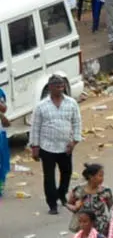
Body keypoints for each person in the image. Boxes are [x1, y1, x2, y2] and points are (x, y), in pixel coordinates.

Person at [29, 78, 80, 217]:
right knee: (49, 177)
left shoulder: (71, 103)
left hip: (65, 146)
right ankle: (52, 204)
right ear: (50, 87)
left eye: (62, 86)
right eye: (57, 86)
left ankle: (62, 194)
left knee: (66, 173)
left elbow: (76, 122)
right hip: (47, 147)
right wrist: (35, 146)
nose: (60, 88)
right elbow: (35, 127)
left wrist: (74, 141)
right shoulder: (41, 106)